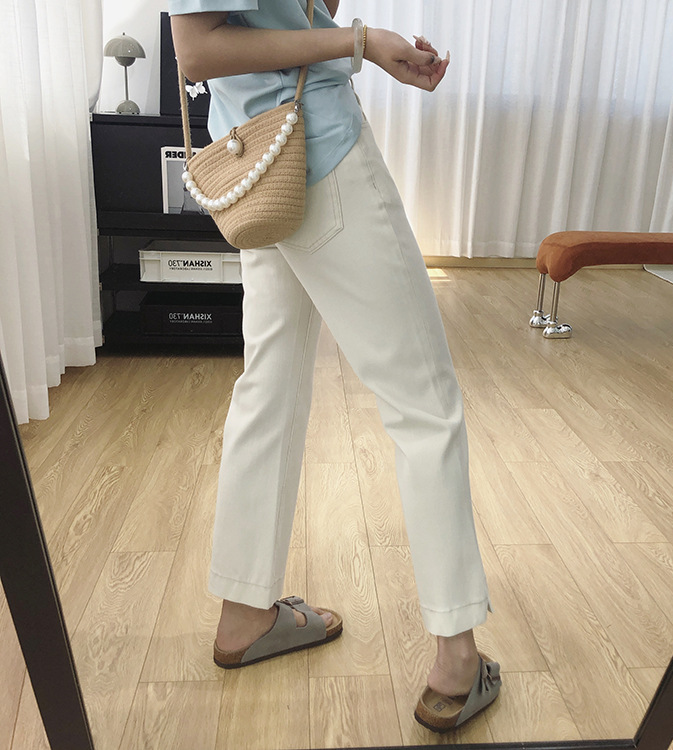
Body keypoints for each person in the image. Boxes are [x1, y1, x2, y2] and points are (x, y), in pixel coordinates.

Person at [169, 0, 500, 732]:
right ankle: (457, 658)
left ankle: (245, 614)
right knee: (424, 404)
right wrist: (361, 42)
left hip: (261, 157)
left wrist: (349, 31)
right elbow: (197, 49)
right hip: (318, 152)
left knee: (270, 387)